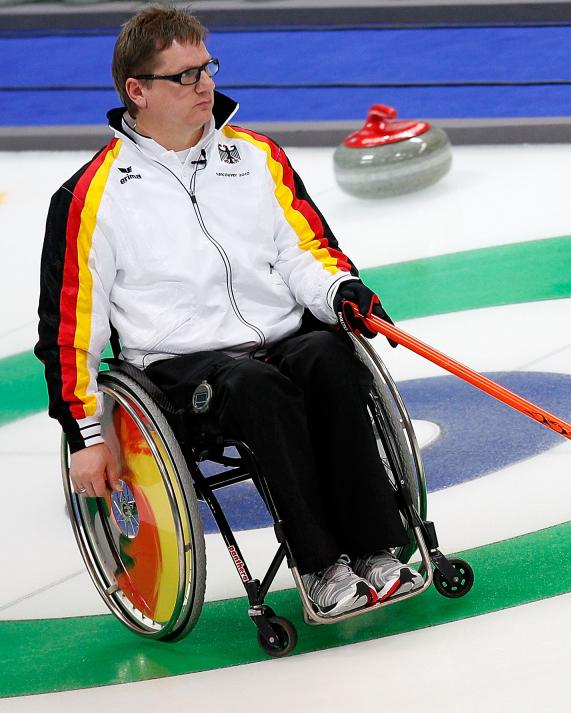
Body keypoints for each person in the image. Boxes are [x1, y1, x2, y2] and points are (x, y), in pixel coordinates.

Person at [35, 4, 421, 618]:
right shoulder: (91, 197)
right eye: (184, 75)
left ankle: (378, 549)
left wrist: (338, 291)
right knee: (255, 386)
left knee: (329, 353)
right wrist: (85, 435)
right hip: (182, 373)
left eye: (206, 67)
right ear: (137, 90)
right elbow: (69, 327)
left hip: (279, 338)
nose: (205, 84)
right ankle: (320, 567)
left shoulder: (256, 156)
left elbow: (306, 250)